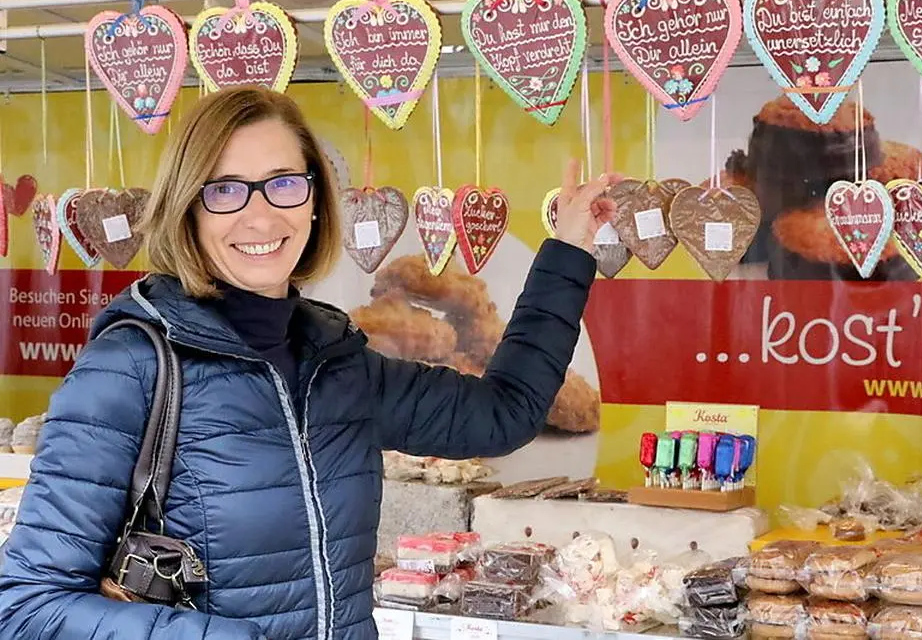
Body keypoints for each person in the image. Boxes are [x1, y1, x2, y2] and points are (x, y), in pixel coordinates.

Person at [0, 86, 618, 639]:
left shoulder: (340, 365)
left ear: (315, 200)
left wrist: (567, 252)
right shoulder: (131, 366)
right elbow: (29, 605)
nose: (261, 213)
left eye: (284, 182)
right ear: (187, 207)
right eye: (224, 190)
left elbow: (502, 415)